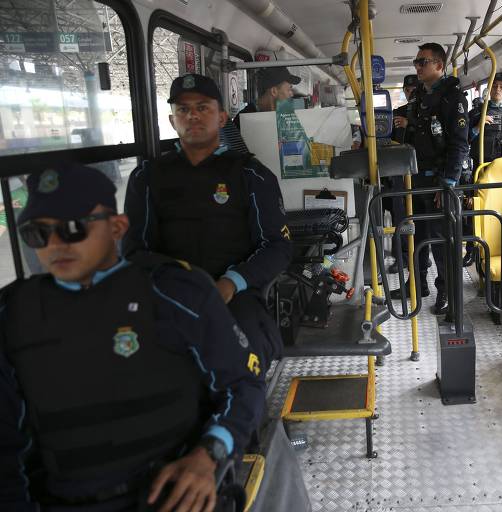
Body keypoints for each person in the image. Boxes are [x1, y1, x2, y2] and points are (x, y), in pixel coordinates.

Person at [0, 164, 264, 511]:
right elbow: (6, 446)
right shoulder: (13, 316)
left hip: (172, 497)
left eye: (73, 228)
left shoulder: (176, 294)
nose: (54, 245)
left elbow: (242, 385)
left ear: (117, 227)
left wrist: (209, 454)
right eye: (38, 233)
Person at [124, 73, 291, 377]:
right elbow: (135, 250)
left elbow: (277, 246)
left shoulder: (251, 175)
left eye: (203, 107)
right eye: (183, 110)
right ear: (173, 121)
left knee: (242, 358)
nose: (193, 116)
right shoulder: (147, 177)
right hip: (168, 292)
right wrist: (180, 283)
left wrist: (230, 283)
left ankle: (244, 421)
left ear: (222, 117)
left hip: (234, 294)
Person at [389, 43, 470, 315]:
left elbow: (459, 144)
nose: (417, 66)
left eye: (422, 62)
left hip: (439, 182)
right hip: (417, 179)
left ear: (438, 64)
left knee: (441, 240)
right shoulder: (421, 98)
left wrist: (447, 183)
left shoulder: (453, 98)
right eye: (416, 62)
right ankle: (418, 283)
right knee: (418, 236)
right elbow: (417, 134)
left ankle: (447, 292)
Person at [386, 74, 420, 274]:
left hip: (421, 173)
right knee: (401, 218)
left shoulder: (427, 114)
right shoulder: (396, 114)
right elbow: (386, 140)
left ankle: (420, 256)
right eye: (408, 90)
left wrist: (411, 125)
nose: (411, 93)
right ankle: (402, 258)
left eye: (414, 89)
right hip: (400, 173)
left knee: (421, 219)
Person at [468, 75, 502, 166]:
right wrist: (478, 127)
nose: (497, 89)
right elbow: (465, 139)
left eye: (501, 86)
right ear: (489, 89)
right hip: (482, 166)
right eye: (494, 86)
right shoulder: (477, 112)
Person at [233, 66, 301, 128]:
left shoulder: (279, 116)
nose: (291, 94)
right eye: (289, 89)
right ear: (274, 91)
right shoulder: (244, 120)